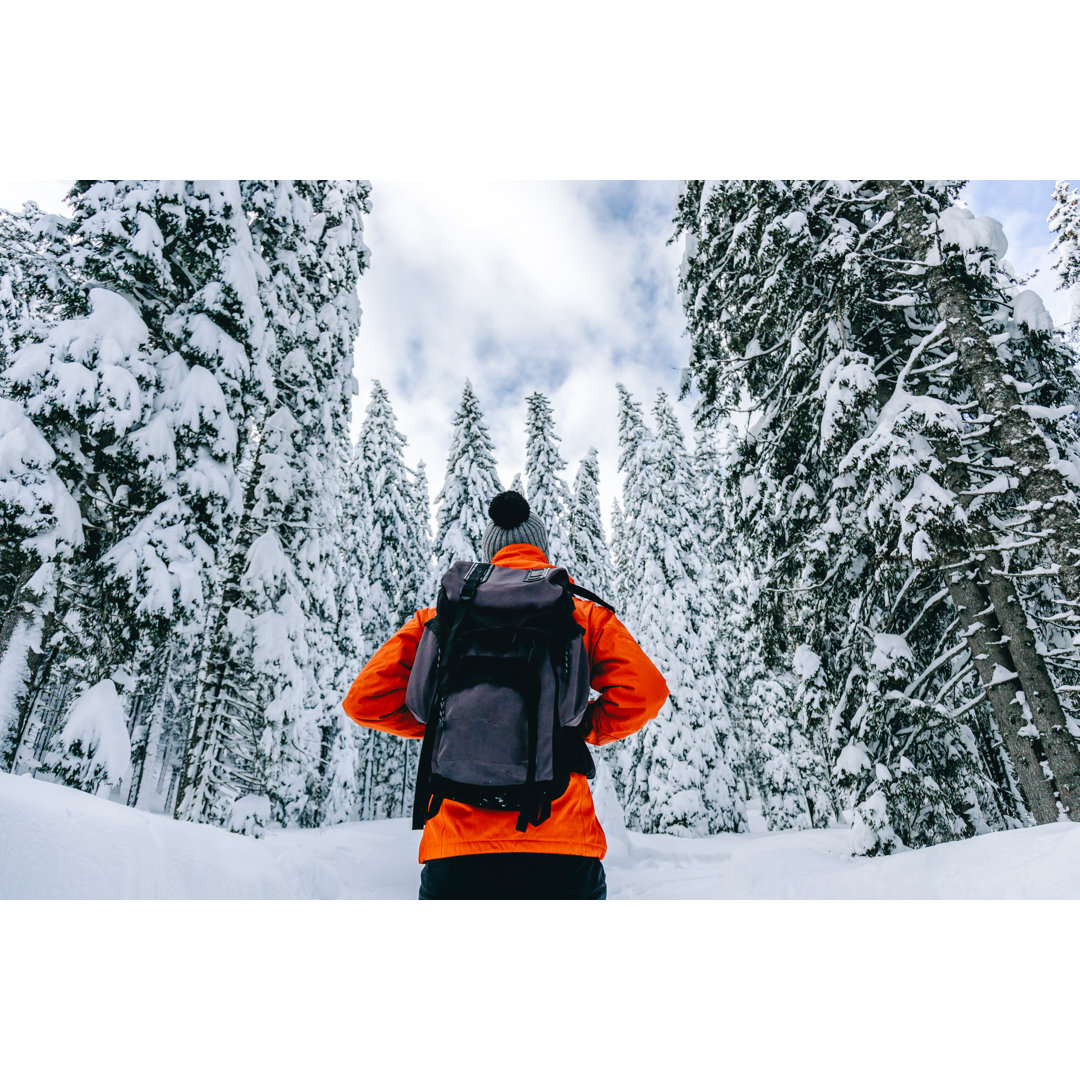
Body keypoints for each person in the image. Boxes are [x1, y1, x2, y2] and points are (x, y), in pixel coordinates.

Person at [342, 490, 668, 900]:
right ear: (542, 550)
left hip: (456, 853)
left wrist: (449, 724)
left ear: (490, 553)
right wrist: (576, 726)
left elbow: (363, 701)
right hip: (561, 846)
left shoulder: (441, 619)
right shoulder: (580, 615)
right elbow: (646, 692)